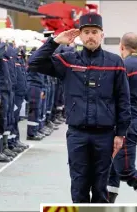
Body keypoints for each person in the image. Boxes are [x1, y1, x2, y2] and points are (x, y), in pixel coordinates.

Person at [27, 12, 131, 203]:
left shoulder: (115, 63)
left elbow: (124, 99)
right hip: (77, 135)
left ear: (102, 35)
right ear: (80, 36)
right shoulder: (68, 61)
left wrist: (121, 133)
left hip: (105, 135)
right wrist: (55, 41)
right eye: (86, 32)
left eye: (94, 32)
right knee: (79, 185)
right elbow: (33, 63)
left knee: (101, 188)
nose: (90, 36)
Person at [107, 32, 137, 201]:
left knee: (125, 170)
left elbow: (112, 95)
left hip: (126, 124)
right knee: (112, 169)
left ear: (122, 47)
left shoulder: (122, 66)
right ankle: (105, 204)